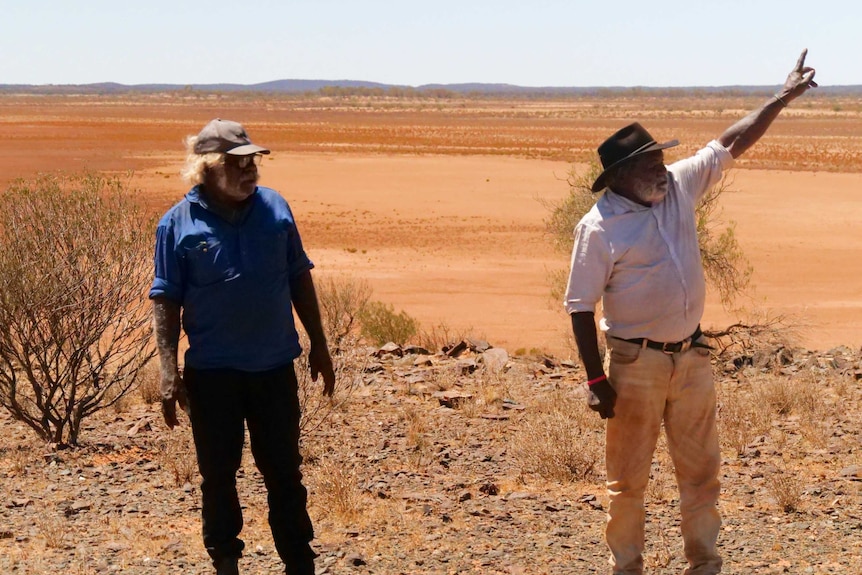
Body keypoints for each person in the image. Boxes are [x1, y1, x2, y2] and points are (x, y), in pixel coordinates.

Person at [564, 51, 816, 574]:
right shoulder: (599, 227)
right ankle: (627, 567)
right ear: (621, 176)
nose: (663, 170)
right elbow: (580, 306)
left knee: (702, 474)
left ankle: (704, 566)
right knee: (628, 480)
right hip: (635, 366)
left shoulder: (676, 188)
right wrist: (595, 379)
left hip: (692, 358)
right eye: (651, 164)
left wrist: (780, 97)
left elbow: (729, 143)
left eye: (661, 161)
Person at [150, 118, 335, 575]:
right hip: (212, 374)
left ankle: (299, 561)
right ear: (208, 168)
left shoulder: (276, 209)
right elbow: (166, 299)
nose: (249, 170)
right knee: (218, 474)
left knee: (284, 472)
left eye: (252, 161)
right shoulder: (176, 224)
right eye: (237, 163)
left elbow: (299, 276)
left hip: (273, 367)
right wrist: (169, 371)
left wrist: (319, 343)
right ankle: (226, 560)